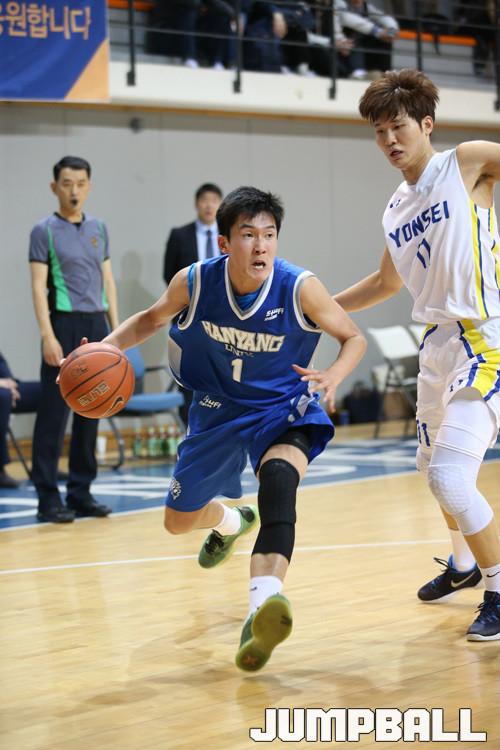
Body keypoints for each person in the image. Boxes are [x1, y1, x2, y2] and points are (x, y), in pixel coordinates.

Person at [101, 186, 366, 670]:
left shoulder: (300, 287)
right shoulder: (196, 281)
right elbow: (151, 319)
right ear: (224, 242)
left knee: (279, 482)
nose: (261, 245)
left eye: (269, 235)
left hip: (280, 409)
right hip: (216, 409)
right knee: (177, 521)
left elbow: (353, 337)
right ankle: (229, 521)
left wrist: (334, 374)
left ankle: (261, 610)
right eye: (248, 235)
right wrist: (105, 348)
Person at [335, 69, 500, 641]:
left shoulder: (466, 163)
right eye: (379, 132)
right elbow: (386, 283)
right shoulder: (396, 207)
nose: (389, 140)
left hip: (485, 337)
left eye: (398, 127)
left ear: (426, 124)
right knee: (431, 471)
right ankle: (463, 564)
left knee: (452, 477)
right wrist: (319, 308)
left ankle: (498, 586)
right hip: (437, 346)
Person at [29, 156, 118, 523]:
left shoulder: (99, 228)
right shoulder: (43, 231)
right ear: (55, 187)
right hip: (63, 325)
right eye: (67, 183)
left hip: (97, 325)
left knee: (91, 412)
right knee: (53, 417)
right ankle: (47, 498)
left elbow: (108, 281)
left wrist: (116, 333)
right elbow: (38, 287)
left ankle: (81, 493)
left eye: (81, 183)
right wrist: (47, 336)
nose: (74, 190)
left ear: (89, 186)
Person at [163, 182, 224, 425]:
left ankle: (219, 425)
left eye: (214, 201)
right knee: (188, 373)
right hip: (188, 314)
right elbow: (169, 274)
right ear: (197, 204)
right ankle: (189, 427)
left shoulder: (229, 236)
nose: (209, 205)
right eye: (204, 200)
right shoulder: (179, 235)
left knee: (222, 373)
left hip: (223, 314)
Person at [0, 352, 41, 488]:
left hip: (5, 387)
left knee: (50, 391)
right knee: (3, 397)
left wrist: (9, 383)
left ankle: (44, 467)